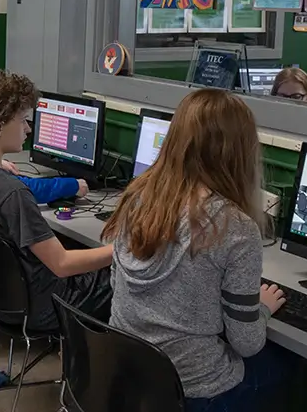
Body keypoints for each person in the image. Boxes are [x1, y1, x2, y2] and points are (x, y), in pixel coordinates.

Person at [101, 89, 288, 411]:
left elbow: (115, 284)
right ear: (241, 151)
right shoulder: (237, 228)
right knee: (282, 367)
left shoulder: (137, 198)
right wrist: (264, 308)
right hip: (196, 389)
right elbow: (246, 344)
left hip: (131, 373)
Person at [0, 70, 113, 331]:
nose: (28, 128)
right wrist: (123, 252)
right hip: (42, 307)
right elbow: (62, 264)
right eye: (23, 120)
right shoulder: (12, 193)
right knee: (120, 275)